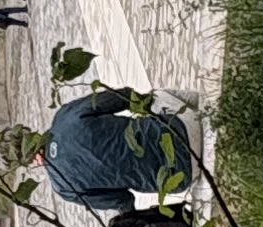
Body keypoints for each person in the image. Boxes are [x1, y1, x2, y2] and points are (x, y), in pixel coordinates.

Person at [37, 85, 195, 211]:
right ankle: (209, 111)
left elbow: (123, 201)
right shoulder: (64, 117)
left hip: (181, 176)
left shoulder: (63, 188)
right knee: (158, 95)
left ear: (33, 160)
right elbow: (122, 97)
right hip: (180, 129)